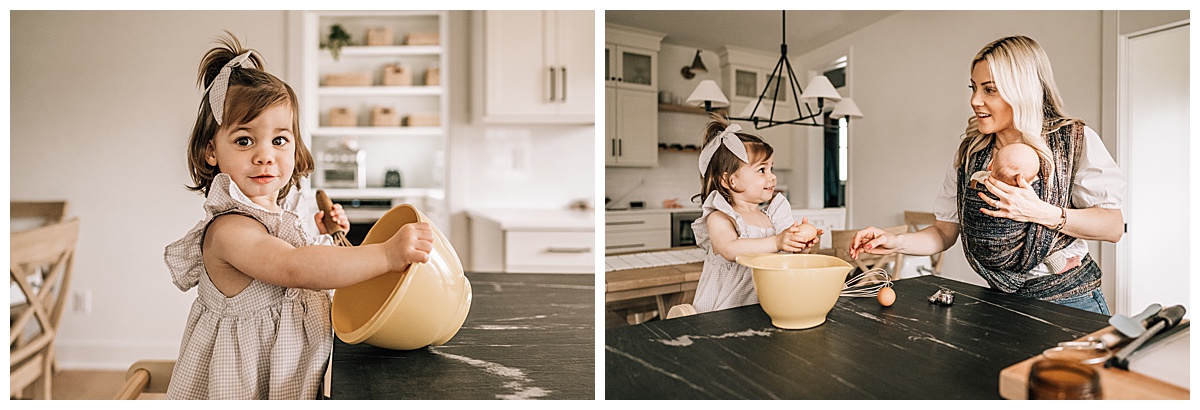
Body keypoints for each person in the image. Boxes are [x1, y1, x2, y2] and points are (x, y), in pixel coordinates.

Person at [163, 33, 434, 399]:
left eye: (279, 140)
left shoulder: (280, 212)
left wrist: (316, 229)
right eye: (244, 140)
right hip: (248, 387)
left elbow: (289, 249)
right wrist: (385, 255)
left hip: (291, 375)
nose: (265, 155)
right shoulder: (229, 230)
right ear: (211, 150)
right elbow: (293, 267)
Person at [848, 35, 1125, 315]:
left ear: (1022, 90)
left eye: (989, 90)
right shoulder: (971, 151)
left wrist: (1039, 211)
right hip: (1001, 300)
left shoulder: (1072, 141)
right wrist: (895, 243)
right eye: (973, 88)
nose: (975, 100)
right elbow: (945, 233)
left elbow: (1113, 227)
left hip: (1070, 300)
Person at [690, 115, 820, 313]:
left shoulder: (771, 217)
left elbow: (782, 258)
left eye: (771, 168)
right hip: (724, 310)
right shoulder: (720, 217)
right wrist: (777, 242)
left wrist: (798, 247)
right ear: (730, 180)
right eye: (762, 170)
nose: (772, 176)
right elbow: (730, 249)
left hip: (764, 303)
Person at [973, 142, 1089, 274]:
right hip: (1018, 250)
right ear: (1023, 180)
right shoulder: (1027, 197)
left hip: (984, 247)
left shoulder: (979, 178)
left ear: (990, 165)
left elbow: (973, 183)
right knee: (1041, 234)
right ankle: (1059, 265)